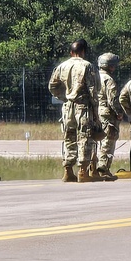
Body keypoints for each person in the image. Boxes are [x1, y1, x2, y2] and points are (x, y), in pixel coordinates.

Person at [48, 40, 100, 183]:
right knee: (84, 137)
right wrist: (96, 111)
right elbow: (92, 90)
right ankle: (83, 171)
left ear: (71, 52)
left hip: (67, 107)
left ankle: (68, 170)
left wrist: (64, 97)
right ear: (83, 52)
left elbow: (52, 86)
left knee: (69, 137)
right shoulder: (87, 66)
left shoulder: (61, 66)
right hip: (83, 106)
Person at [93, 52, 125, 181]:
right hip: (107, 113)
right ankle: (103, 170)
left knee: (95, 140)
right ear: (110, 66)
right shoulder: (109, 80)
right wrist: (119, 113)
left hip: (95, 112)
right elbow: (113, 100)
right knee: (108, 141)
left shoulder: (93, 77)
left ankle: (92, 167)